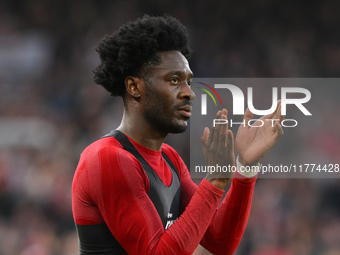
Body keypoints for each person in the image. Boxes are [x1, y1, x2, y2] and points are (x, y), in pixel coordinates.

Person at [72, 15, 284, 255]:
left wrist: (245, 167)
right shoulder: (107, 158)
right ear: (134, 87)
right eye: (174, 80)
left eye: (189, 82)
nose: (189, 93)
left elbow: (219, 240)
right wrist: (214, 181)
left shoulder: (170, 159)